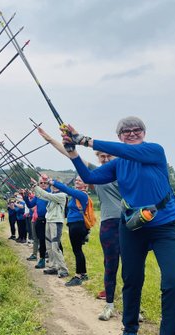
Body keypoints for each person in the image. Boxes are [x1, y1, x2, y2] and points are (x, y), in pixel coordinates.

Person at [60, 116, 175, 335]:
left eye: (136, 129)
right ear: (119, 135)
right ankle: (129, 330)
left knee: (174, 282)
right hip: (132, 228)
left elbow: (122, 150)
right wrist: (73, 152)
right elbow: (89, 176)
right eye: (125, 131)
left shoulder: (154, 151)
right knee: (131, 278)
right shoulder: (118, 165)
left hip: (166, 226)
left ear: (143, 132)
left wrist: (85, 139)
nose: (131, 133)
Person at [38, 127, 122, 319]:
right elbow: (71, 155)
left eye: (108, 156)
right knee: (110, 264)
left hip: (128, 222)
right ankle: (109, 304)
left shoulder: (124, 169)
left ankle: (131, 305)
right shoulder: (98, 174)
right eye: (101, 157)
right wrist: (51, 139)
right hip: (109, 223)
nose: (105, 159)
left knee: (132, 267)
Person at [30, 177, 69, 278]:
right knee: (49, 246)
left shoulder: (61, 195)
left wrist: (36, 185)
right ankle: (53, 266)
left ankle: (63, 269)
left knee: (55, 246)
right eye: (52, 185)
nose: (53, 186)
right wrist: (35, 188)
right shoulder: (52, 195)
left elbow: (45, 195)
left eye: (56, 185)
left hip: (56, 222)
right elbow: (41, 196)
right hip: (49, 221)